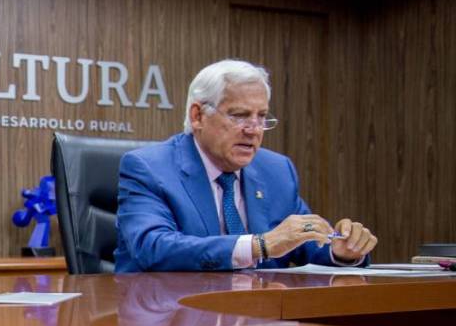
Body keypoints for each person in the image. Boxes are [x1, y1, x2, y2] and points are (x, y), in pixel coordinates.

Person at [115, 59, 378, 272]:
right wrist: (258, 246)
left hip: (258, 323)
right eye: (240, 116)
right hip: (172, 321)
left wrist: (341, 251)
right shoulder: (149, 168)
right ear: (197, 116)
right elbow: (153, 247)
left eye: (261, 116)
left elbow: (305, 243)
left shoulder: (276, 170)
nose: (254, 130)